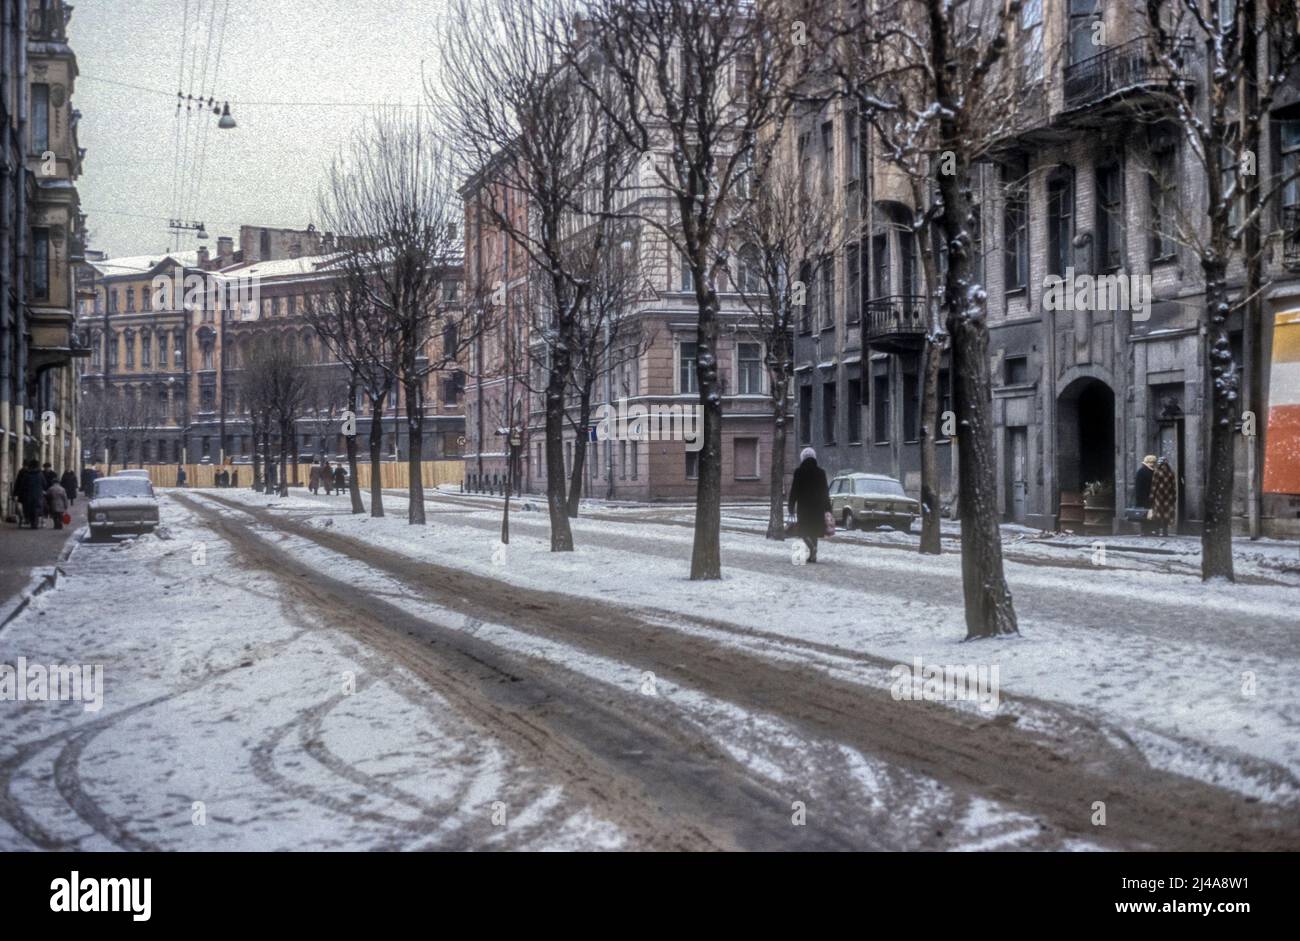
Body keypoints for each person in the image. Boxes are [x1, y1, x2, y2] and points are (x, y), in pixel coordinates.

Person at [788, 447, 832, 564]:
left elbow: (794, 490)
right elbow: (825, 492)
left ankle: (811, 549)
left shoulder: (799, 472)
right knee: (814, 531)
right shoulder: (821, 472)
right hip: (818, 507)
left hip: (804, 507)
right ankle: (813, 556)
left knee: (803, 530)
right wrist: (828, 508)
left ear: (802, 458)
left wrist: (791, 505)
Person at [1151, 457, 1177, 538]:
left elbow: (1154, 485)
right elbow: (1173, 486)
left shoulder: (1157, 472)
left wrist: (1152, 496)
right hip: (1168, 496)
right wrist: (1174, 496)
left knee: (1158, 513)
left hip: (1159, 496)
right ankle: (1165, 532)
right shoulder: (1171, 472)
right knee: (1166, 513)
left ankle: (1157, 531)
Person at [17, 460, 45, 529]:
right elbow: (45, 484)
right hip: (38, 495)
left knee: (29, 509)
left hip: (28, 495)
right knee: (36, 509)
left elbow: (22, 485)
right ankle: (35, 523)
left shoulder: (26, 475)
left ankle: (31, 521)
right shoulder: (40, 474)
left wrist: (20, 494)